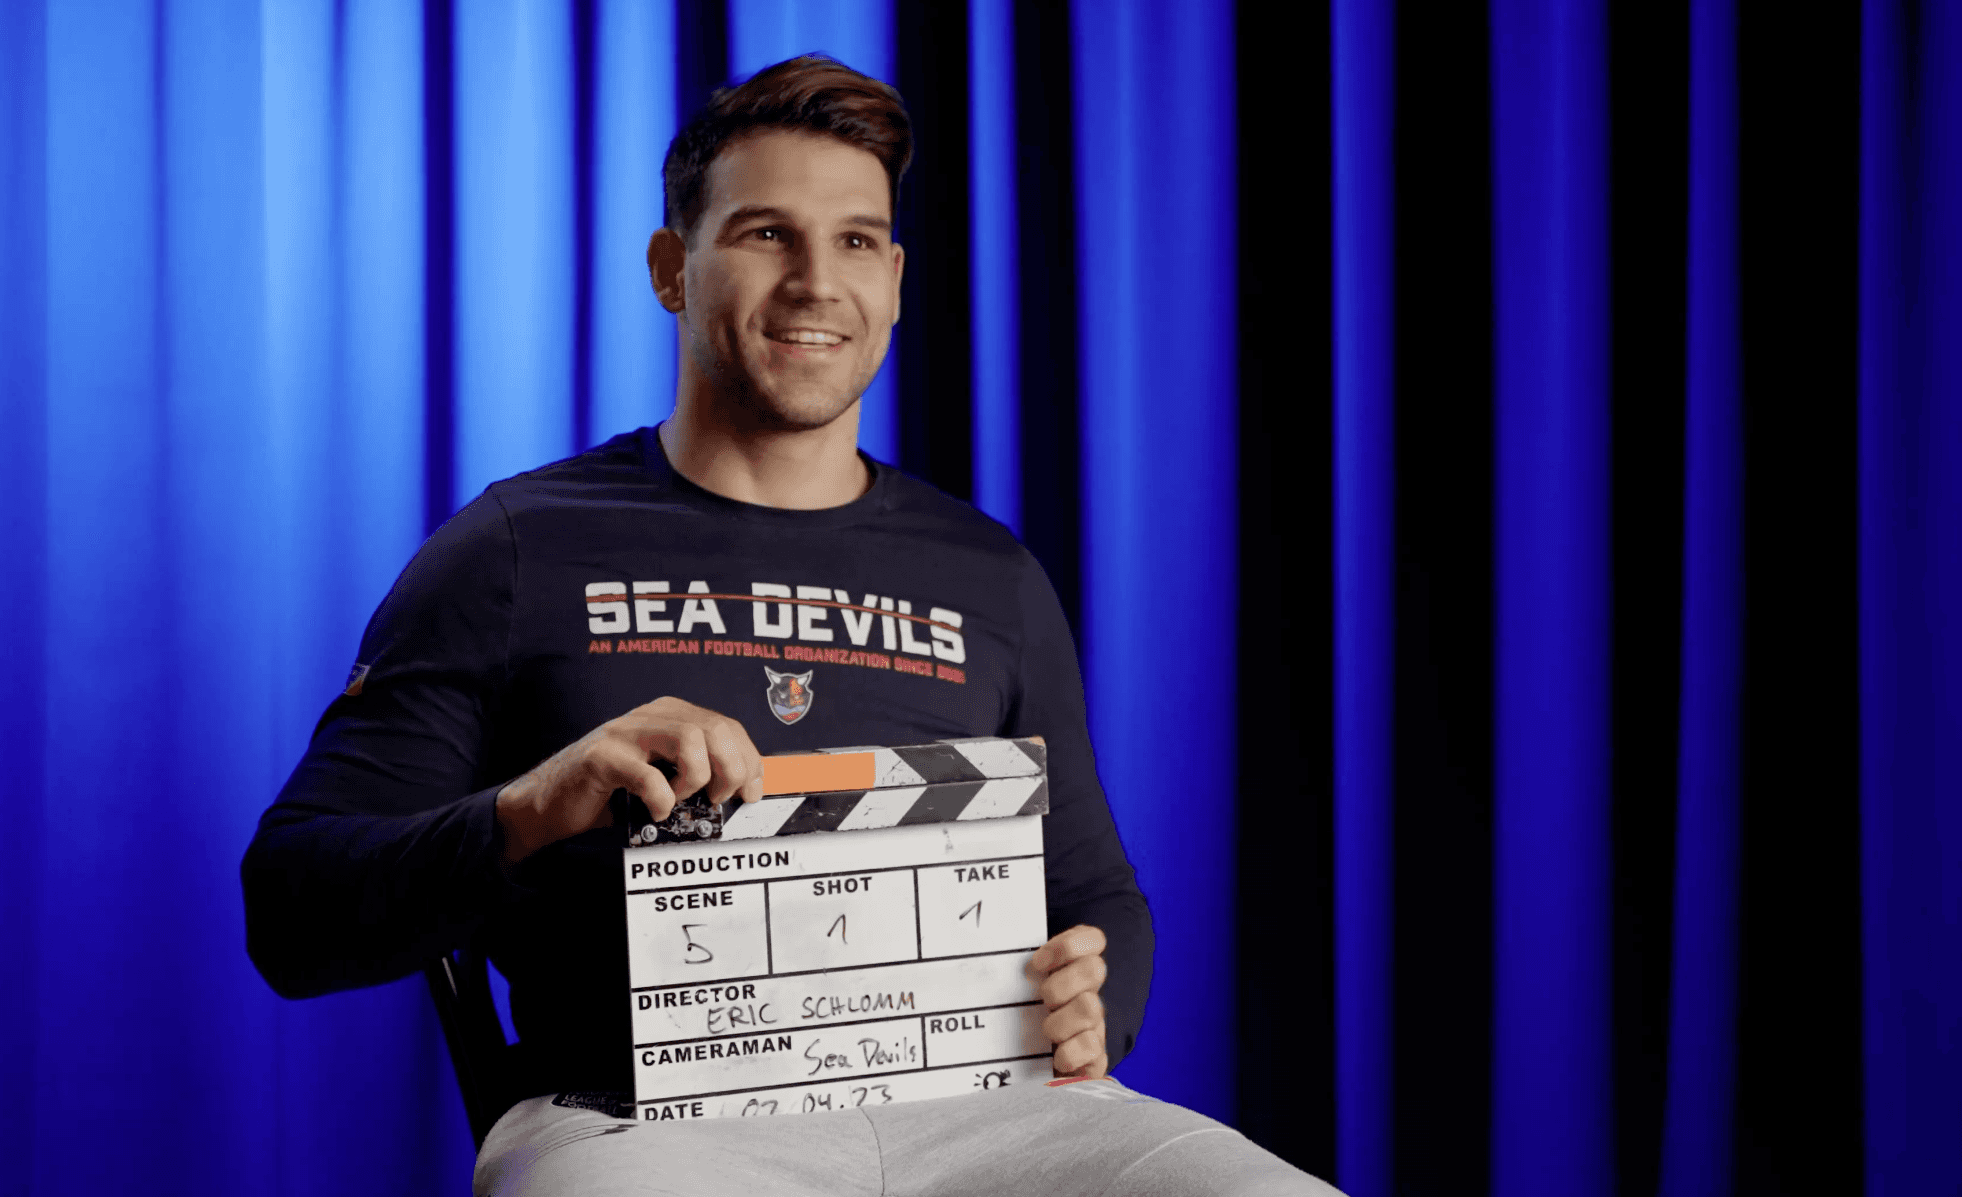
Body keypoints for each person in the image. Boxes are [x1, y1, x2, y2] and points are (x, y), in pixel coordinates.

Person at [241, 54, 1334, 1197]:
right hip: (638, 1122)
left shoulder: (991, 574)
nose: (818, 283)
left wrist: (1095, 1000)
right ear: (672, 268)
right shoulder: (515, 549)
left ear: (895, 281)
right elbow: (294, 907)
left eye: (856, 241)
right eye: (767, 234)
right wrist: (532, 809)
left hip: (993, 1114)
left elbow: (1095, 891)